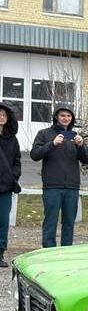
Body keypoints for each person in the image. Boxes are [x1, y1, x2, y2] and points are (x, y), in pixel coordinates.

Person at [30, 105, 88, 248]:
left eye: (69, 116)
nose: (66, 118)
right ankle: (48, 250)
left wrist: (81, 145)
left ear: (72, 119)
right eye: (63, 115)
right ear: (56, 117)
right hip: (52, 186)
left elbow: (86, 159)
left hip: (72, 186)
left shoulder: (75, 136)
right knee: (50, 221)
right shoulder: (44, 134)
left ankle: (66, 251)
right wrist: (52, 144)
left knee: (69, 222)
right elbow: (34, 155)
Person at [0, 103, 21, 266]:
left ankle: (0, 252)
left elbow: (17, 161)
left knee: (3, 221)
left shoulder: (12, 140)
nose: (1, 116)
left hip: (5, 187)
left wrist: (14, 176)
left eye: (4, 115)